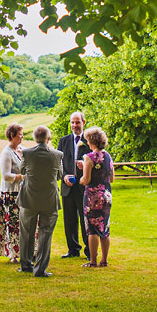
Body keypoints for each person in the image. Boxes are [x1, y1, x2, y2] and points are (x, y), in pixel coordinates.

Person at [17, 125, 63, 277]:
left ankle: (26, 265)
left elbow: (22, 170)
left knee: (26, 232)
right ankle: (40, 269)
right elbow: (59, 175)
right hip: (49, 199)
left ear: (35, 139)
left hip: (29, 198)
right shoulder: (57, 155)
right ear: (48, 139)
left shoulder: (27, 153)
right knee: (45, 233)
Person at [78, 126, 115, 267]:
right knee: (104, 228)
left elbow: (86, 180)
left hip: (92, 198)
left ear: (91, 141)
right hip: (106, 196)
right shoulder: (108, 156)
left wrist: (80, 179)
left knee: (92, 229)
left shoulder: (89, 157)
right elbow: (111, 178)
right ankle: (104, 260)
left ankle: (93, 261)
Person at [56, 111, 91, 259]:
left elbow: (95, 161)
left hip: (84, 187)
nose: (74, 125)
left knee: (86, 220)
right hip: (68, 187)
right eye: (72, 122)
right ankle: (73, 250)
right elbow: (58, 163)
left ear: (83, 123)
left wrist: (85, 166)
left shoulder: (90, 140)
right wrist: (64, 177)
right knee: (69, 220)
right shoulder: (63, 141)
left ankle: (89, 250)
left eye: (77, 122)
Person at [0, 123, 26, 262]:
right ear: (12, 135)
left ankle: (26, 251)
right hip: (10, 194)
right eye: (20, 134)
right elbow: (5, 175)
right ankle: (13, 254)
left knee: (23, 224)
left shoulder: (22, 149)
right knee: (12, 225)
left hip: (22, 192)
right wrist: (20, 177)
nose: (22, 137)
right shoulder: (6, 153)